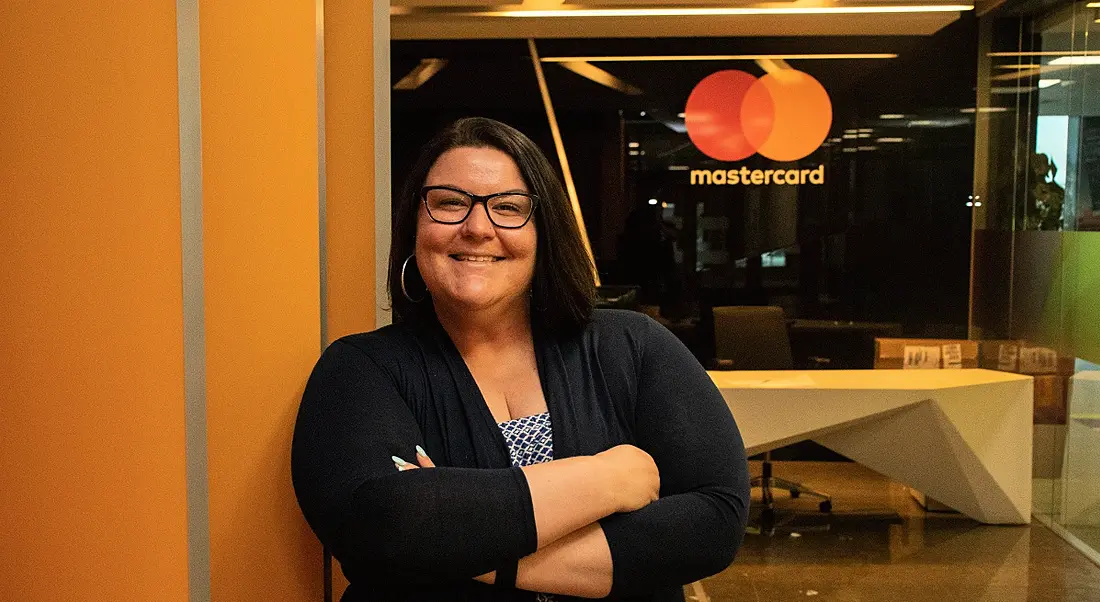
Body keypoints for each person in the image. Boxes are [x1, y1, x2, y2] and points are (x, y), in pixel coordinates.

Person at [291, 117, 750, 601]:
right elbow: (383, 525)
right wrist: (604, 480)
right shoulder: (361, 368)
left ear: (543, 234)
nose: (477, 228)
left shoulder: (633, 346)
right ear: (413, 227)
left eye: (508, 208)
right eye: (450, 203)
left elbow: (713, 521)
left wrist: (457, 540)